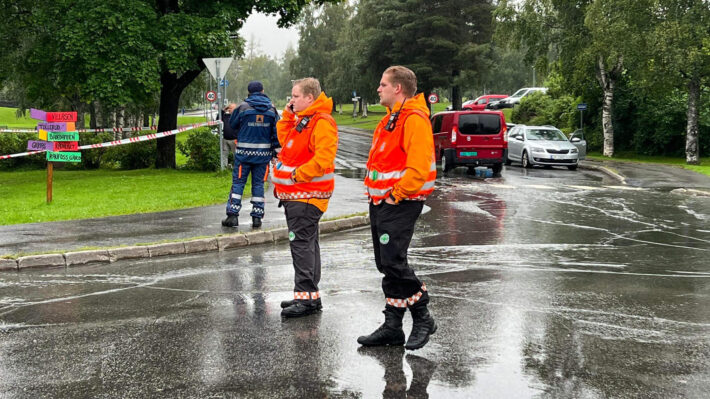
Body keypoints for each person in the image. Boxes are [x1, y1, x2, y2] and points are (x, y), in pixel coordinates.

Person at [357, 66, 437, 350]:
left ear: (398, 88)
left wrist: (396, 195)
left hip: (400, 202)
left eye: (383, 84)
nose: (378, 89)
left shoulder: (414, 120)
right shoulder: (390, 119)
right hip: (381, 203)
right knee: (385, 264)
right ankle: (393, 326)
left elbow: (417, 168)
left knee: (394, 262)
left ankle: (423, 316)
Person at [271, 77, 338, 318]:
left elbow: (323, 159)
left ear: (310, 98)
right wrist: (287, 115)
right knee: (307, 244)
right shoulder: (304, 120)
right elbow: (285, 140)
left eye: (296, 96)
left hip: (307, 196)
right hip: (299, 196)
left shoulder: (321, 122)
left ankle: (306, 296)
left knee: (301, 245)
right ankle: (309, 295)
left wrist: (299, 175)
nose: (292, 100)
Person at [222, 81, 280, 228]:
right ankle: (257, 217)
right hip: (263, 156)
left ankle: (233, 216)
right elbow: (276, 134)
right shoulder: (272, 110)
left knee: (238, 183)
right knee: (259, 184)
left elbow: (233, 124)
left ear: (249, 92)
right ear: (263, 90)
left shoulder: (242, 108)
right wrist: (275, 152)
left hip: (243, 155)